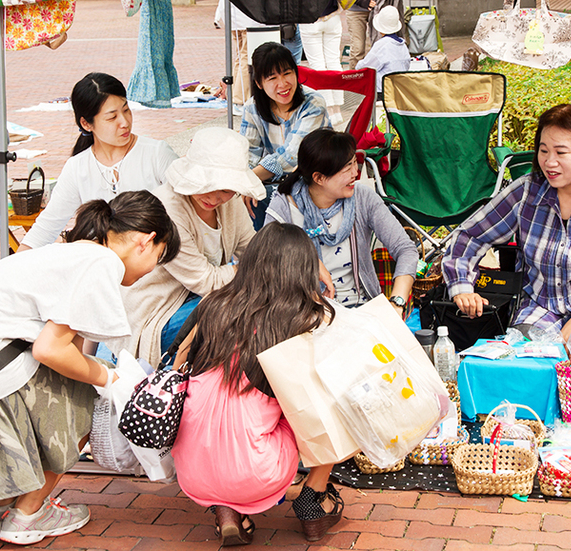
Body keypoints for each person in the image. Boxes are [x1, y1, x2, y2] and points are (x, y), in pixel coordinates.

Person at [0, 190, 180, 545]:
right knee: (85, 402)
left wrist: (95, 371)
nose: (153, 269)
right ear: (146, 241)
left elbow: (66, 348)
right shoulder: (101, 262)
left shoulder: (77, 253)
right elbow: (50, 351)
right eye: (159, 257)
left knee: (77, 381)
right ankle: (29, 513)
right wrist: (110, 378)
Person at [171, 222, 344, 546]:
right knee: (336, 398)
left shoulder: (212, 305)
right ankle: (313, 497)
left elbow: (178, 363)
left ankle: (226, 509)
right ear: (303, 270)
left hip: (192, 468)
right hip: (259, 469)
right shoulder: (307, 317)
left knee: (226, 411)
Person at [443, 103, 571, 342]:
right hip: (540, 306)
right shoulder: (527, 191)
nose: (549, 162)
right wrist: (461, 286)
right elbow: (471, 235)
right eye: (543, 150)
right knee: (524, 363)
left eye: (561, 152)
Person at [114, 127, 264, 367]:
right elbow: (204, 281)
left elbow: (254, 248)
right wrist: (246, 270)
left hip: (198, 298)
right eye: (206, 185)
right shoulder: (168, 207)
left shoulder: (231, 203)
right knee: (234, 316)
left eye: (225, 190)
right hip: (159, 309)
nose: (214, 198)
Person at [20, 72, 179, 250]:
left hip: (157, 266)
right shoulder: (77, 167)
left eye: (126, 110)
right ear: (86, 124)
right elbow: (45, 229)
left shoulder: (156, 154)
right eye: (112, 117)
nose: (124, 122)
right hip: (106, 272)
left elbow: (186, 213)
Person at [265, 128, 417, 313]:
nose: (355, 173)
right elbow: (266, 258)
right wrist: (305, 260)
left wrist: (397, 302)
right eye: (347, 169)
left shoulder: (363, 198)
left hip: (360, 308)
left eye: (355, 163)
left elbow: (406, 249)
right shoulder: (284, 205)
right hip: (303, 313)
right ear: (319, 178)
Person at [240, 42, 331, 230]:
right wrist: (243, 183)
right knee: (237, 200)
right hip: (278, 183)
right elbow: (248, 155)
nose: (283, 84)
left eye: (287, 73)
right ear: (259, 83)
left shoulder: (313, 103)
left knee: (262, 198)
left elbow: (292, 155)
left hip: (316, 180)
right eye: (272, 78)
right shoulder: (252, 107)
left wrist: (249, 180)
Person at [299, 1, 345, 127]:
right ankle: (338, 109)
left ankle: (328, 109)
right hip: (333, 14)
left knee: (317, 65)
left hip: (309, 17)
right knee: (334, 62)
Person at [357, 5, 411, 95]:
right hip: (399, 90)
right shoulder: (403, 45)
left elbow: (366, 67)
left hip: (382, 91)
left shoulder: (382, 45)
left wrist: (357, 66)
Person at [346, 0, 379, 69]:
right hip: (355, 9)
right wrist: (361, 2)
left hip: (377, 6)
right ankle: (354, 79)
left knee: (380, 47)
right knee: (358, 49)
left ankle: (377, 79)